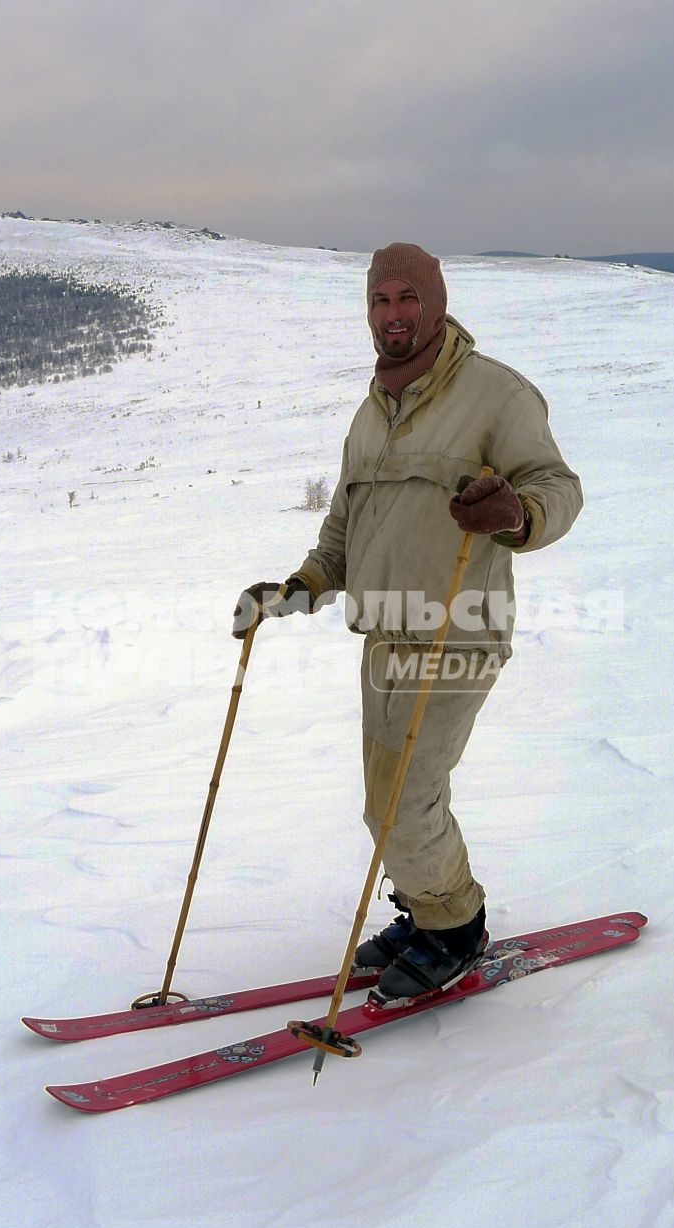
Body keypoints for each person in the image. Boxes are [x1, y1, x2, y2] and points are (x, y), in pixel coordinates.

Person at [233, 242, 582, 1007]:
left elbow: (558, 488)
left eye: (406, 298)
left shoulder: (494, 394)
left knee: (407, 799)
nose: (393, 315)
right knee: (382, 801)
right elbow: (342, 534)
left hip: (459, 629)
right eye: (379, 301)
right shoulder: (371, 415)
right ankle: (425, 910)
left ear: (434, 301)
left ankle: (455, 929)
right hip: (386, 638)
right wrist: (294, 590)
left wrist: (516, 514)